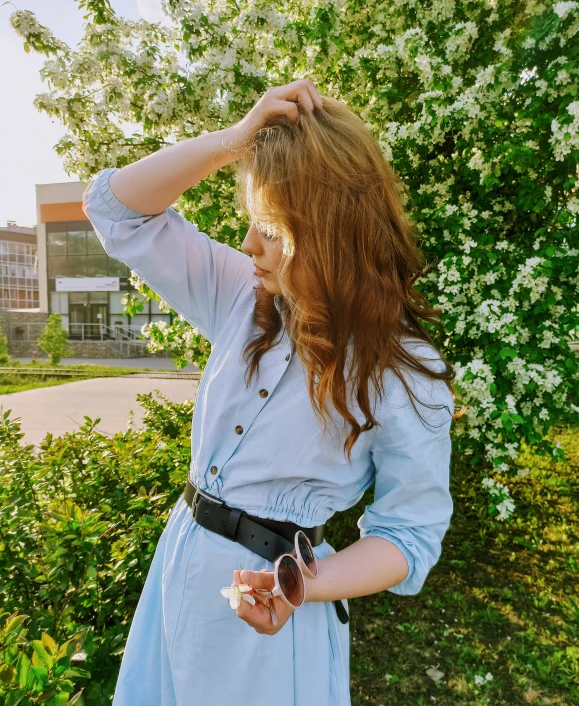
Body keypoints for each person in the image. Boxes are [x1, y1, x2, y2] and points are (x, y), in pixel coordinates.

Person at [83, 79, 456, 706]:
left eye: (271, 228)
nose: (249, 245)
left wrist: (298, 586)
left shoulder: (401, 370)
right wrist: (235, 141)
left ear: (334, 235)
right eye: (250, 223)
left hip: (269, 610)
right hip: (179, 567)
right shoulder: (242, 294)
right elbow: (116, 210)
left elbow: (408, 536)